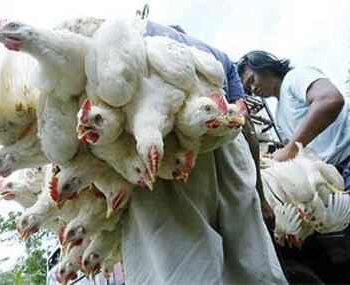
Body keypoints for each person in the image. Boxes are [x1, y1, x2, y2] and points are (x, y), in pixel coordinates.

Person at [121, 25, 288, 284]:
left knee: (184, 263)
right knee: (252, 256)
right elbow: (248, 128)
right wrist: (261, 196)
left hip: (164, 148)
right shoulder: (218, 56)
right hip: (225, 140)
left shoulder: (135, 33)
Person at [237, 50, 350, 283]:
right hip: (343, 178)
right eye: (246, 89)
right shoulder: (280, 115)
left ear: (265, 66)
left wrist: (290, 149)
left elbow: (330, 100)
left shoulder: (296, 78)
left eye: (252, 81)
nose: (252, 89)